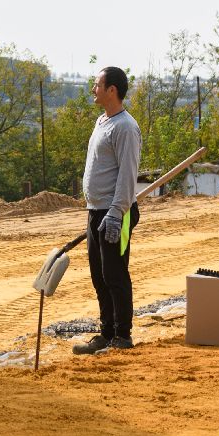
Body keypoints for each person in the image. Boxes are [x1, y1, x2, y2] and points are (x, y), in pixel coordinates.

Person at [73, 65, 143, 355]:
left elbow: (128, 175)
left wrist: (116, 213)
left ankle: (122, 335)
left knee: (115, 274)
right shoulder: (102, 121)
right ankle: (105, 332)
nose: (93, 89)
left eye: (97, 85)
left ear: (111, 90)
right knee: (99, 275)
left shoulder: (126, 127)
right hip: (96, 211)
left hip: (116, 213)